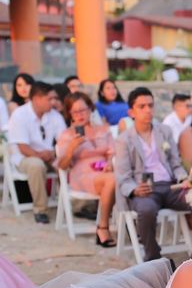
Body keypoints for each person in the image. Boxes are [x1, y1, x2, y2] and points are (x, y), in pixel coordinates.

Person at [115, 87, 192, 260]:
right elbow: (122, 176)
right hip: (145, 189)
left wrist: (183, 178)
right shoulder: (124, 139)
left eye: (150, 105)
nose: (148, 110)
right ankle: (153, 256)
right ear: (131, 112)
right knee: (146, 209)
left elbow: (175, 163)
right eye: (142, 106)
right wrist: (134, 189)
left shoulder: (164, 131)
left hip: (171, 186)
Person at [56, 92, 117, 247]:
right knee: (114, 179)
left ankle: (129, 224)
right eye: (75, 111)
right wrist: (71, 148)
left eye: (83, 110)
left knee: (117, 177)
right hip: (82, 175)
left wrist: (110, 163)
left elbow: (112, 152)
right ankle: (103, 227)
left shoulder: (103, 129)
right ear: (69, 113)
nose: (80, 115)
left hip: (104, 172)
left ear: (90, 109)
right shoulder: (67, 135)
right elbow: (62, 166)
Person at [7, 81, 67, 224]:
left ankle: (75, 205)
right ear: (36, 99)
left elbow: (64, 141)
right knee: (36, 165)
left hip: (49, 155)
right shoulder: (19, 115)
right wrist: (43, 155)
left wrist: (52, 153)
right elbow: (23, 147)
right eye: (49, 99)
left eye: (55, 99)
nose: (53, 102)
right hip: (24, 157)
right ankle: (40, 210)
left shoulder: (55, 116)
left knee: (67, 161)